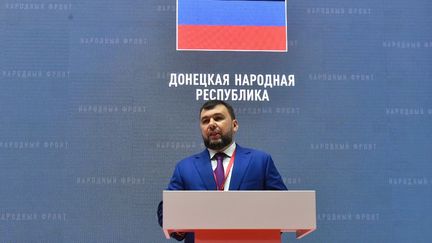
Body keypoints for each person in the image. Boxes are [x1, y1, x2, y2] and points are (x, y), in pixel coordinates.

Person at [158, 100, 287, 242]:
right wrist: (181, 226)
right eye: (205, 121)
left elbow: (283, 206)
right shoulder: (184, 167)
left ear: (235, 125)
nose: (211, 124)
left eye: (218, 118)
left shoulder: (261, 160)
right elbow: (166, 210)